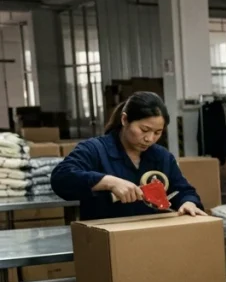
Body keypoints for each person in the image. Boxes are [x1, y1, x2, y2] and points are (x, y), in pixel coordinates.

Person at [51, 92, 205, 220]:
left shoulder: (162, 156)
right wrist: (108, 182)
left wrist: (189, 203)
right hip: (107, 241)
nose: (149, 139)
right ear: (124, 119)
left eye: (157, 132)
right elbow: (61, 178)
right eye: (144, 130)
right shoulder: (95, 149)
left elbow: (184, 191)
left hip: (152, 239)